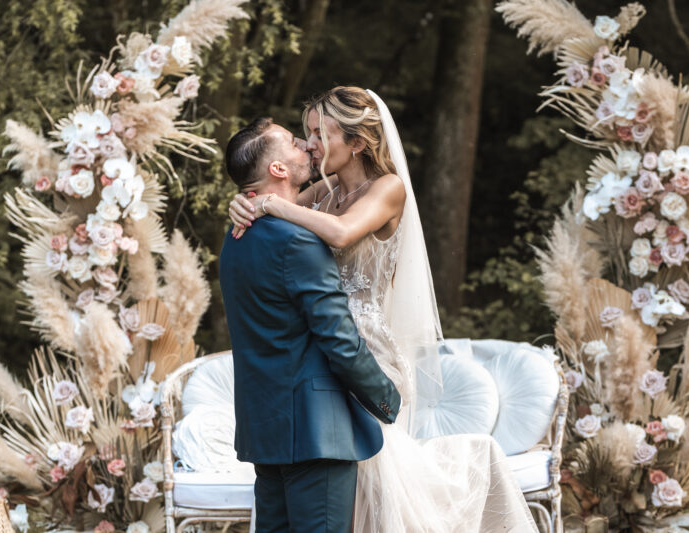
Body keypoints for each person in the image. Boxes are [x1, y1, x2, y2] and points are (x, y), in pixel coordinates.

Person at [228, 87, 539, 532]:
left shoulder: (389, 189)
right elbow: (273, 213)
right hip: (327, 351)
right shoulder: (322, 191)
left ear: (356, 142)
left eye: (320, 133)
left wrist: (270, 203)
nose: (310, 143)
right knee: (346, 495)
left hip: (366, 352)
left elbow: (337, 233)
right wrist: (245, 201)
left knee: (375, 485)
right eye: (306, 132)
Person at [219, 116, 402, 533]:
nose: (306, 145)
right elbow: (339, 339)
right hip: (318, 429)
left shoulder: (234, 238)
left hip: (265, 428)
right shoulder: (299, 241)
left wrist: (256, 200)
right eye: (293, 141)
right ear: (278, 169)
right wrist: (388, 400)